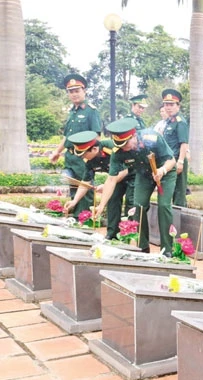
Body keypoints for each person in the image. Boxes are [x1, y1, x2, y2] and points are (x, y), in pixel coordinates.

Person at [94, 118, 177, 255]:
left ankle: (167, 249)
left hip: (165, 172)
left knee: (163, 206)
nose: (124, 149)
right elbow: (111, 180)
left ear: (133, 136)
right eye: (120, 146)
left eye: (126, 144)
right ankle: (143, 246)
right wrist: (101, 205)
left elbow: (171, 160)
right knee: (138, 206)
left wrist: (162, 171)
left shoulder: (152, 138)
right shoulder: (118, 152)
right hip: (143, 175)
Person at [63, 131, 135, 240]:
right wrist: (74, 201)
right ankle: (112, 234)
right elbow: (85, 182)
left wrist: (106, 186)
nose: (82, 157)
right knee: (112, 199)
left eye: (84, 154)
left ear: (95, 149)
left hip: (135, 173)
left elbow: (124, 171)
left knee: (131, 201)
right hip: (114, 179)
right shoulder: (89, 160)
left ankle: (130, 235)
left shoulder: (112, 148)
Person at [49, 73, 102, 218]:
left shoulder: (91, 111)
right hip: (70, 157)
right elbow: (66, 136)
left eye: (77, 91)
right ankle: (75, 219)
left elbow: (97, 136)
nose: (74, 94)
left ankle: (84, 221)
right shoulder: (72, 112)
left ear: (84, 91)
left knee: (85, 189)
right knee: (73, 188)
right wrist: (57, 152)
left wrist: (90, 156)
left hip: (83, 157)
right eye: (71, 92)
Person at [161, 89, 189, 207]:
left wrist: (181, 162)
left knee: (179, 193)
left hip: (177, 159)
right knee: (169, 191)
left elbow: (184, 143)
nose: (168, 107)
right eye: (166, 104)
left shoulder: (180, 122)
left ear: (178, 106)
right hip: (169, 161)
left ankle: (181, 221)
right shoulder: (169, 121)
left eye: (171, 104)